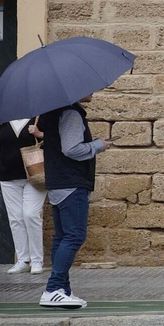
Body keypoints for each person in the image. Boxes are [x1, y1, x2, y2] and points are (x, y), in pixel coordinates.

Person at [40, 94, 111, 309]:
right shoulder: (71, 113)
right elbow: (71, 149)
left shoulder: (52, 111)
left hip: (58, 182)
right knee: (74, 235)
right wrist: (98, 145)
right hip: (71, 182)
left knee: (62, 237)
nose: (93, 92)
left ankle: (62, 290)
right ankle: (53, 289)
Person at [0, 117, 46, 274]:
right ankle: (23, 259)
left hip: (34, 176)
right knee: (16, 218)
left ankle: (37, 260)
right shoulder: (2, 121)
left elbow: (55, 140)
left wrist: (40, 134)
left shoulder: (38, 118)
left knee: (30, 215)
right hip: (8, 176)